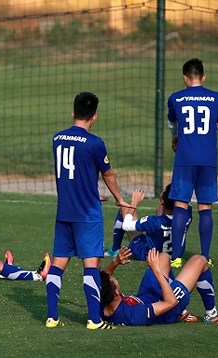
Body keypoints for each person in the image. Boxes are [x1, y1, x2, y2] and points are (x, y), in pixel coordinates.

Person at [46, 92, 129, 330]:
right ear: (94, 117)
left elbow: (72, 175)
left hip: (65, 213)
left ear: (73, 113)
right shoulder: (95, 143)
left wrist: (90, 192)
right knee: (90, 266)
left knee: (58, 265)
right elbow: (108, 174)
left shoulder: (57, 138)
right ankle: (94, 319)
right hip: (87, 215)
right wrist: (120, 199)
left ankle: (52, 317)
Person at [167, 58, 218, 268]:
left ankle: (175, 258)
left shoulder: (175, 98)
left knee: (181, 204)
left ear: (185, 78)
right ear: (203, 77)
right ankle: (205, 256)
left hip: (184, 159)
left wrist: (176, 138)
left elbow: (172, 124)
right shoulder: (216, 98)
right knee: (205, 207)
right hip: (208, 160)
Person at [100, 247, 218, 326]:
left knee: (163, 257)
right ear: (116, 292)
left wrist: (115, 262)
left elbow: (105, 278)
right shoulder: (133, 315)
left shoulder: (102, 304)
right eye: (113, 279)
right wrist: (156, 271)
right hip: (168, 308)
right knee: (200, 260)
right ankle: (211, 314)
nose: (112, 275)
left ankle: (175, 293)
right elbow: (170, 302)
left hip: (146, 297)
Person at [105, 185, 192, 263]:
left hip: (147, 254)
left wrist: (134, 203)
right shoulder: (187, 216)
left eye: (164, 191)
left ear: (162, 200)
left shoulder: (152, 221)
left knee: (124, 208)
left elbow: (126, 225)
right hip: (172, 254)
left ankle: (115, 249)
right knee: (159, 210)